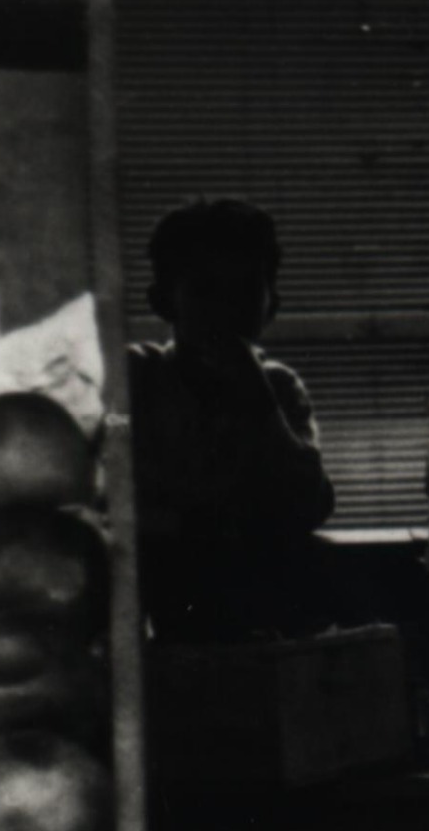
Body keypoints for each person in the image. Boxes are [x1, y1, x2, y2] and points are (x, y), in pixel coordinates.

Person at [127, 198, 337, 640]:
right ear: (163, 302)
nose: (225, 310)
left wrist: (253, 390)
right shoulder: (140, 377)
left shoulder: (277, 386)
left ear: (271, 305)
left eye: (245, 290)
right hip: (170, 593)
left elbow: (310, 503)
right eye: (205, 290)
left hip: (264, 593)